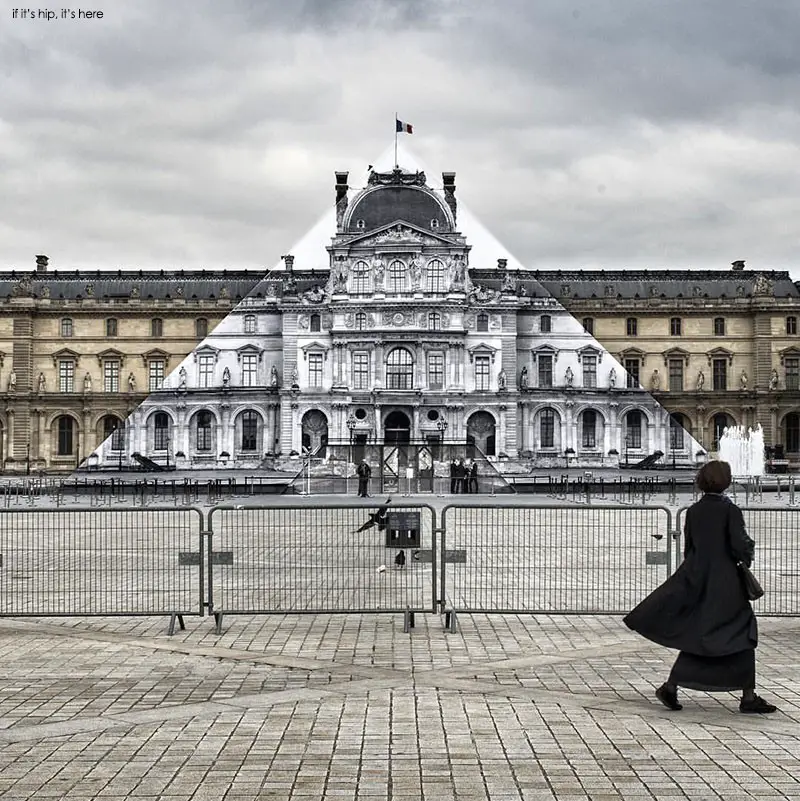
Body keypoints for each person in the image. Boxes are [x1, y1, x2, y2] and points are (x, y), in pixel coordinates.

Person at [623, 460, 777, 714]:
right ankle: (747, 697)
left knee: (705, 635)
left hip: (698, 577)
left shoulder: (693, 511)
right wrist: (748, 552)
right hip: (725, 581)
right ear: (725, 482)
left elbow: (689, 550)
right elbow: (739, 545)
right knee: (741, 631)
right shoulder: (730, 511)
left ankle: (673, 687)